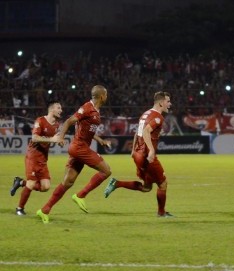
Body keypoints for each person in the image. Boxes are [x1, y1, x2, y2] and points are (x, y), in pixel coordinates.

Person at [36, 85, 112, 223]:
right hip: (80, 148)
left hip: (79, 149)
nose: (107, 97)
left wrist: (100, 140)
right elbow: (69, 121)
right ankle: (81, 195)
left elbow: (87, 130)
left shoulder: (95, 110)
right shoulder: (87, 107)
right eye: (106, 94)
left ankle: (44, 210)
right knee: (106, 171)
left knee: (67, 182)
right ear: (102, 96)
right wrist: (61, 137)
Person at [103, 91, 173, 217]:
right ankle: (161, 213)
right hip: (146, 156)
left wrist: (133, 150)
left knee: (147, 188)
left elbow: (137, 132)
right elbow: (146, 132)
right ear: (161, 103)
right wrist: (151, 150)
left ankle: (116, 183)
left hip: (138, 154)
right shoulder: (158, 117)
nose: (170, 104)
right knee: (163, 184)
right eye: (168, 101)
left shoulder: (145, 114)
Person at [10, 101, 62, 216]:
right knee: (32, 183)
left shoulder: (56, 125)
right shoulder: (40, 121)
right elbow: (34, 138)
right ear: (52, 110)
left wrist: (59, 141)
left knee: (45, 187)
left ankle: (20, 182)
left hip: (43, 159)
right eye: (58, 108)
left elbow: (55, 138)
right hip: (32, 156)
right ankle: (19, 208)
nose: (61, 110)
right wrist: (51, 140)